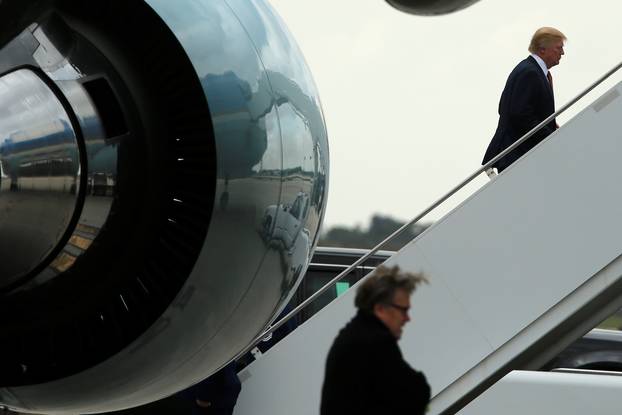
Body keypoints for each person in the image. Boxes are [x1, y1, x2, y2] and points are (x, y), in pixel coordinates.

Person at [320, 265, 430, 415]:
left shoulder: (353, 334)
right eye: (403, 310)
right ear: (380, 309)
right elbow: (415, 392)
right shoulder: (376, 342)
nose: (407, 318)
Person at [482, 27, 566, 173]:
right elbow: (518, 113)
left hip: (521, 153)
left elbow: (507, 106)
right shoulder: (530, 72)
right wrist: (549, 135)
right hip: (517, 154)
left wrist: (552, 126)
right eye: (559, 48)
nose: (562, 53)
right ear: (542, 49)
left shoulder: (532, 70)